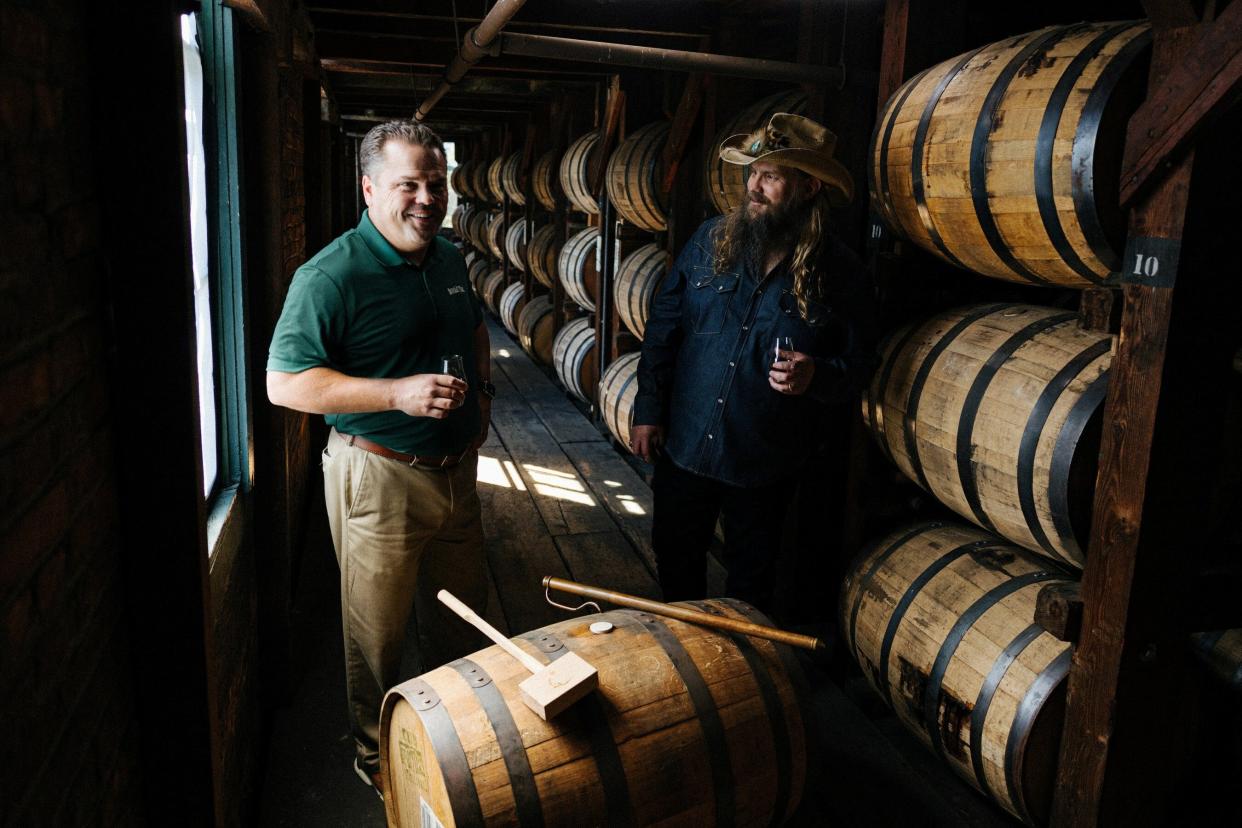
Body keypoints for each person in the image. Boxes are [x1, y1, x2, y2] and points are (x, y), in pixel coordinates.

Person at [266, 120, 495, 798]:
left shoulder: (448, 257)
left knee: (458, 617)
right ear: (369, 188)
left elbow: (477, 330)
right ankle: (380, 762)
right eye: (408, 185)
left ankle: (457, 744)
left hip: (456, 473)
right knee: (378, 635)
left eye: (436, 183)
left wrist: (481, 400)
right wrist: (395, 393)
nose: (427, 198)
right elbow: (285, 382)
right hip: (378, 475)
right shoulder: (330, 274)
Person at [631, 112, 873, 615]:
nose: (753, 188)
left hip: (765, 463)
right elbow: (664, 328)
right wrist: (649, 408)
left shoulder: (840, 271)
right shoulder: (711, 240)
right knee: (676, 566)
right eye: (752, 173)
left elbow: (860, 363)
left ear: (807, 188)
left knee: (751, 588)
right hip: (687, 445)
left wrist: (817, 376)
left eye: (770, 176)